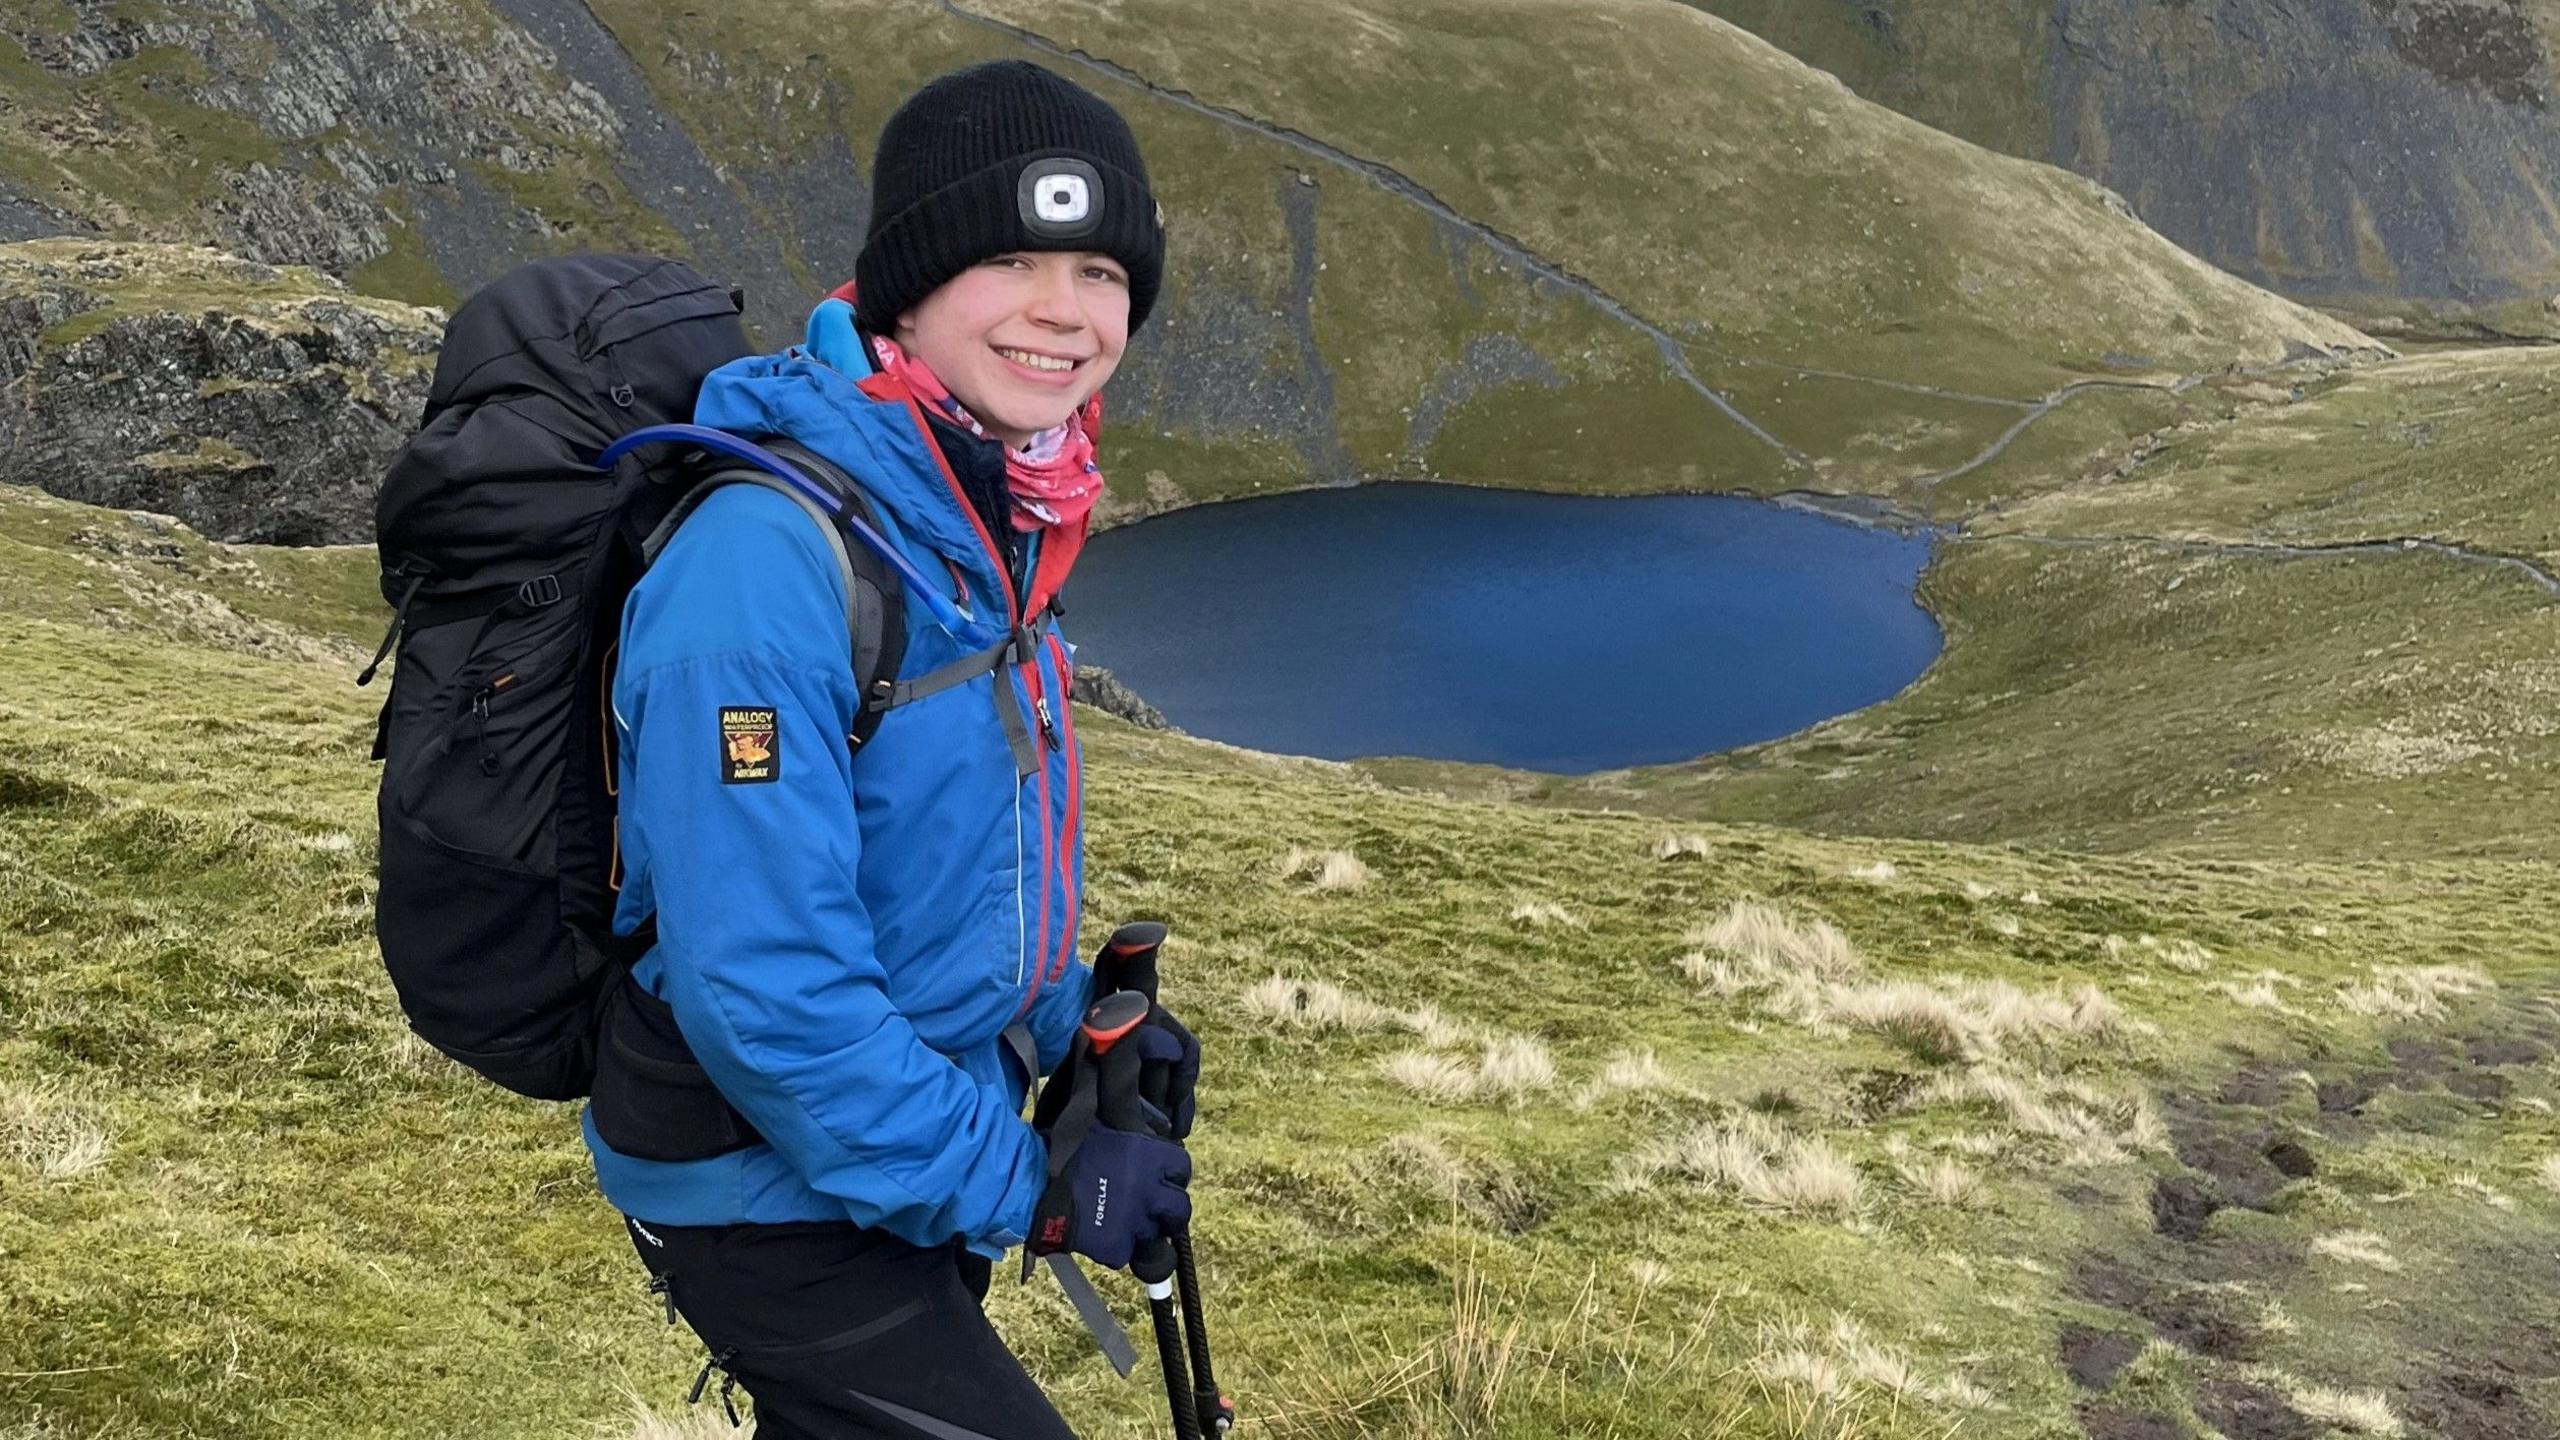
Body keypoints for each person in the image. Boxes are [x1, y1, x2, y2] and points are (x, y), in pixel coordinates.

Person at [586, 60, 1195, 1439]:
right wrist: (1026, 1185)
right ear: (907, 288)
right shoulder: (766, 567)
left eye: (1102, 272)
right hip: (763, 1184)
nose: (1065, 312)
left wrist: (1079, 1039)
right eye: (1010, 258)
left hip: (887, 1141)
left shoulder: (980, 518)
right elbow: (767, 992)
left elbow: (950, 861)